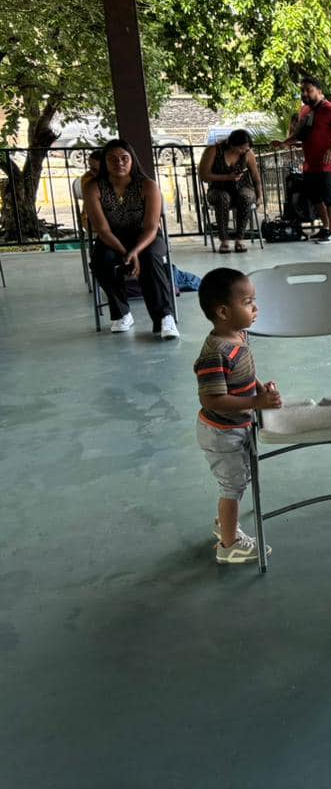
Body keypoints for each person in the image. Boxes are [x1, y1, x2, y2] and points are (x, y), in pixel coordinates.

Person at [194, 268, 283, 564]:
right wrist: (256, 401)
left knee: (239, 478)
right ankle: (228, 545)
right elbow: (213, 399)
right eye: (247, 302)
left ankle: (225, 523)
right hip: (221, 432)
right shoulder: (214, 353)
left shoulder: (239, 335)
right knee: (232, 485)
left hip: (238, 425)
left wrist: (260, 390)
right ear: (223, 312)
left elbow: (247, 372)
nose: (255, 307)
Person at [84, 139, 180, 339]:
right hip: (112, 238)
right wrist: (125, 253)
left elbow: (152, 227)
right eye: (112, 159)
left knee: (150, 257)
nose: (119, 163)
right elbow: (102, 229)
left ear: (132, 161)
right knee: (102, 260)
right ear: (105, 163)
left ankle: (164, 318)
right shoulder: (94, 187)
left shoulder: (147, 185)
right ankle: (122, 313)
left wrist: (135, 252)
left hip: (146, 237)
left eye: (124, 158)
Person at [275, 76, 331, 244]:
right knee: (315, 198)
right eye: (303, 91)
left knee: (330, 198)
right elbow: (299, 135)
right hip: (310, 164)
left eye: (309, 90)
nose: (305, 94)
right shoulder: (304, 110)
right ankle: (326, 228)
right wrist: (285, 143)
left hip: (329, 164)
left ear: (319, 92)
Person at [199, 129, 263, 253]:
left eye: (247, 148)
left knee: (246, 196)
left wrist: (259, 195)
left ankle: (240, 239)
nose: (244, 151)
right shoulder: (213, 151)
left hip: (242, 188)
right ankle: (224, 240)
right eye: (241, 148)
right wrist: (227, 177)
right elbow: (203, 175)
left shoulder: (248, 153)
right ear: (232, 144)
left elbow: (256, 176)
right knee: (223, 197)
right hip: (217, 189)